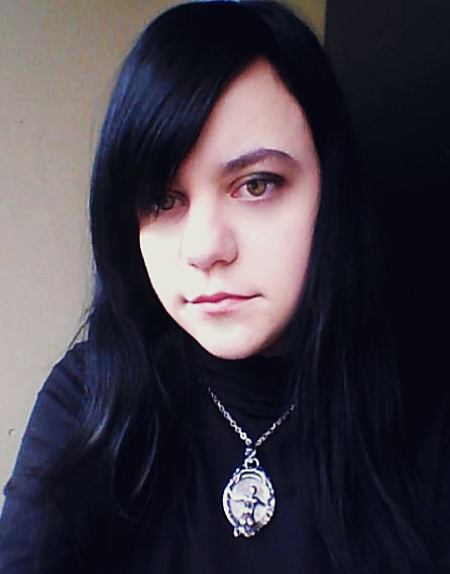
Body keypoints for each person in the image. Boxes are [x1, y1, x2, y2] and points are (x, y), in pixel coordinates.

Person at [0, 1, 448, 573]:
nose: (204, 248)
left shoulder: (424, 421)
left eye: (256, 184)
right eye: (163, 199)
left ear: (332, 190)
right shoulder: (88, 400)